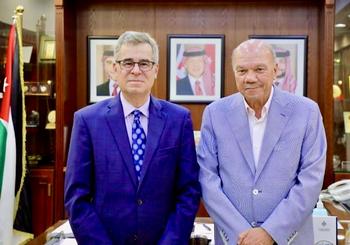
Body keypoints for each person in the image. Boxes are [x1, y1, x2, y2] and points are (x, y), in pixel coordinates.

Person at [65, 31, 201, 244]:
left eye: (144, 63)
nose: (136, 70)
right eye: (128, 63)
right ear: (115, 69)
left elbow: (188, 191)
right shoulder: (87, 121)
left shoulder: (178, 119)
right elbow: (77, 197)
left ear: (156, 70)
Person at [197, 39, 327, 245]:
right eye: (242, 71)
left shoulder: (306, 112)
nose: (250, 78)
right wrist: (243, 234)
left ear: (275, 70)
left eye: (259, 69)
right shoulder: (215, 113)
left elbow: (311, 180)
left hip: (290, 239)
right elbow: (207, 179)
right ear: (234, 73)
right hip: (234, 240)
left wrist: (270, 232)